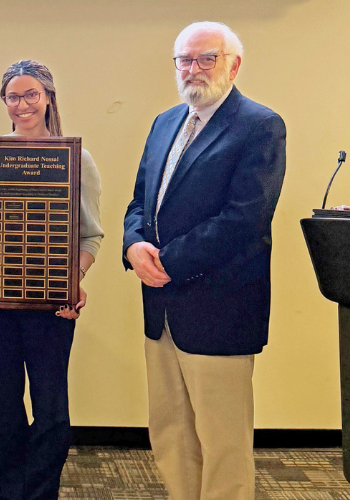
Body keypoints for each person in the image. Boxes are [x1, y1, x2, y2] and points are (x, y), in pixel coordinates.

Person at [122, 22, 286, 500]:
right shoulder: (164, 122)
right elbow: (140, 202)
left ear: (233, 64)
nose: (193, 69)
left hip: (220, 308)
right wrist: (134, 246)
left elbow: (244, 219)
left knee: (223, 441)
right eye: (185, 60)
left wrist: (168, 260)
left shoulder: (260, 125)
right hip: (161, 307)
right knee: (170, 430)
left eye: (206, 58)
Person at [0, 60, 103, 500]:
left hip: (52, 304)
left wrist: (74, 279)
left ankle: (39, 492)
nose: (23, 104)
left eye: (31, 94)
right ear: (5, 103)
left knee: (50, 407)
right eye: (13, 96)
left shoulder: (75, 157)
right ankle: (13, 489)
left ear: (49, 97)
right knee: (1, 406)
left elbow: (91, 235)